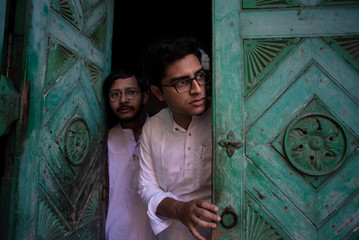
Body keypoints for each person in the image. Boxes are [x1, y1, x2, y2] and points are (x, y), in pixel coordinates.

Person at [138, 36, 221, 240]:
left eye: (200, 76)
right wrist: (179, 209)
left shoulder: (225, 120)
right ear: (158, 92)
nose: (197, 89)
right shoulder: (152, 128)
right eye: (182, 82)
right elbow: (146, 188)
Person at [102, 68, 158, 240]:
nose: (123, 100)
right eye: (115, 95)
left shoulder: (163, 134)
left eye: (131, 92)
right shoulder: (103, 142)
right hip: (116, 234)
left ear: (145, 96)